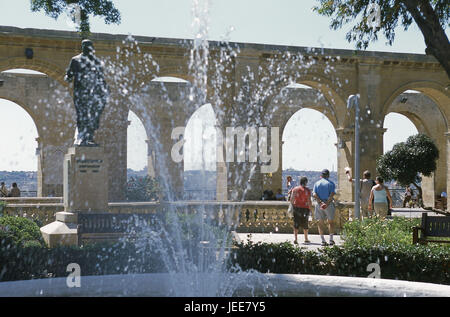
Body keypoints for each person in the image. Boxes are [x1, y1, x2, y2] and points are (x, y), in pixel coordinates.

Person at [65, 39, 109, 146]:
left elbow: (101, 79)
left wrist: (105, 90)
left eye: (89, 47)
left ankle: (89, 137)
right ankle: (82, 137)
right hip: (80, 94)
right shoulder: (75, 60)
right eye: (85, 46)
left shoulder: (97, 62)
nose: (88, 49)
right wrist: (68, 77)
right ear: (82, 47)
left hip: (94, 94)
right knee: (82, 115)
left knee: (93, 116)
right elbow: (69, 75)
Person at [313, 169, 336, 246]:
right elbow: (332, 194)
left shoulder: (316, 183)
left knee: (320, 223)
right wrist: (326, 203)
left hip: (319, 205)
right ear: (328, 175)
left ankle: (323, 240)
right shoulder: (331, 183)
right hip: (328, 204)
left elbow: (314, 194)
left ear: (321, 175)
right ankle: (331, 240)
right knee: (331, 222)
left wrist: (320, 202)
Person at [289, 177, 312, 245]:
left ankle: (295, 238)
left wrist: (292, 206)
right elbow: (309, 201)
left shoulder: (295, 189)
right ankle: (306, 238)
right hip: (305, 208)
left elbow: (292, 199)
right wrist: (310, 209)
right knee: (305, 223)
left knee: (296, 223)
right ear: (306, 182)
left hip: (296, 208)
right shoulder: (307, 190)